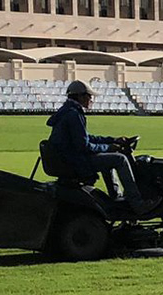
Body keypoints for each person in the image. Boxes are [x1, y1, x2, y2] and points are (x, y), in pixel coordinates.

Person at [47, 81, 149, 212]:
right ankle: (137, 203)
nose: (91, 99)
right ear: (81, 97)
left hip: (69, 157)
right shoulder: (73, 115)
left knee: (108, 159)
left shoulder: (67, 112)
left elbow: (87, 137)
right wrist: (109, 147)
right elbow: (84, 145)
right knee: (120, 159)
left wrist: (112, 140)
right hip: (75, 161)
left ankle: (116, 198)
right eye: (89, 96)